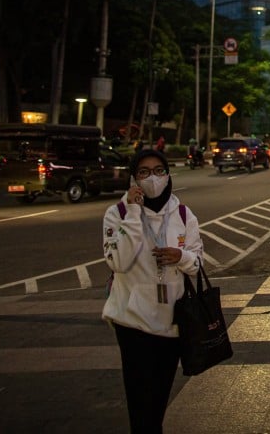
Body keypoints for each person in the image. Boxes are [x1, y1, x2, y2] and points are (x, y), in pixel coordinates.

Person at [102, 149, 204, 434]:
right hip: (132, 320)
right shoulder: (118, 213)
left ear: (168, 174)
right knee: (140, 406)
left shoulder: (183, 214)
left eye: (159, 170)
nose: (153, 178)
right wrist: (134, 213)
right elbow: (118, 261)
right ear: (134, 177)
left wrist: (180, 256)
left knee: (158, 401)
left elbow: (197, 264)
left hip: (171, 321)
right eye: (144, 172)